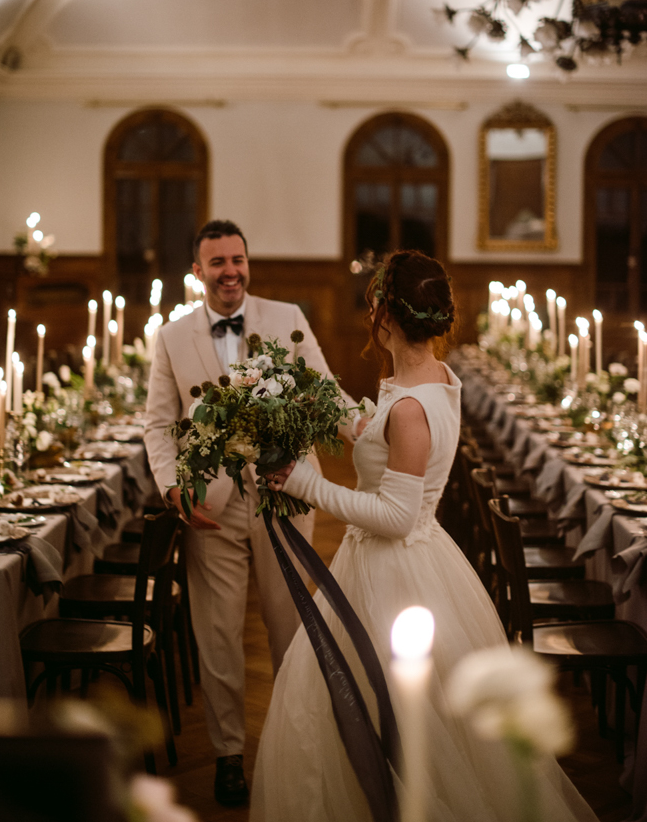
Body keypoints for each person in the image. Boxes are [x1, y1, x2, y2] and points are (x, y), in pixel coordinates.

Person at [250, 250, 598, 822]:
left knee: (391, 719)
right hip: (407, 563)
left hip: (394, 574)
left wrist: (305, 482)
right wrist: (316, 396)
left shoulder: (411, 405)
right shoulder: (432, 380)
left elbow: (396, 516)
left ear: (385, 313)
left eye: (374, 306)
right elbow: (378, 432)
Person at [144, 219, 355, 807]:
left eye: (237, 259)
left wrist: (374, 433)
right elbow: (159, 424)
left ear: (247, 264)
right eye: (217, 262)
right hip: (209, 509)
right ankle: (228, 755)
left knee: (290, 629)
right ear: (198, 272)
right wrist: (171, 489)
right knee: (217, 634)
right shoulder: (172, 336)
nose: (230, 271)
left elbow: (324, 392)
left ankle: (294, 746)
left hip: (284, 497)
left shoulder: (285, 317)